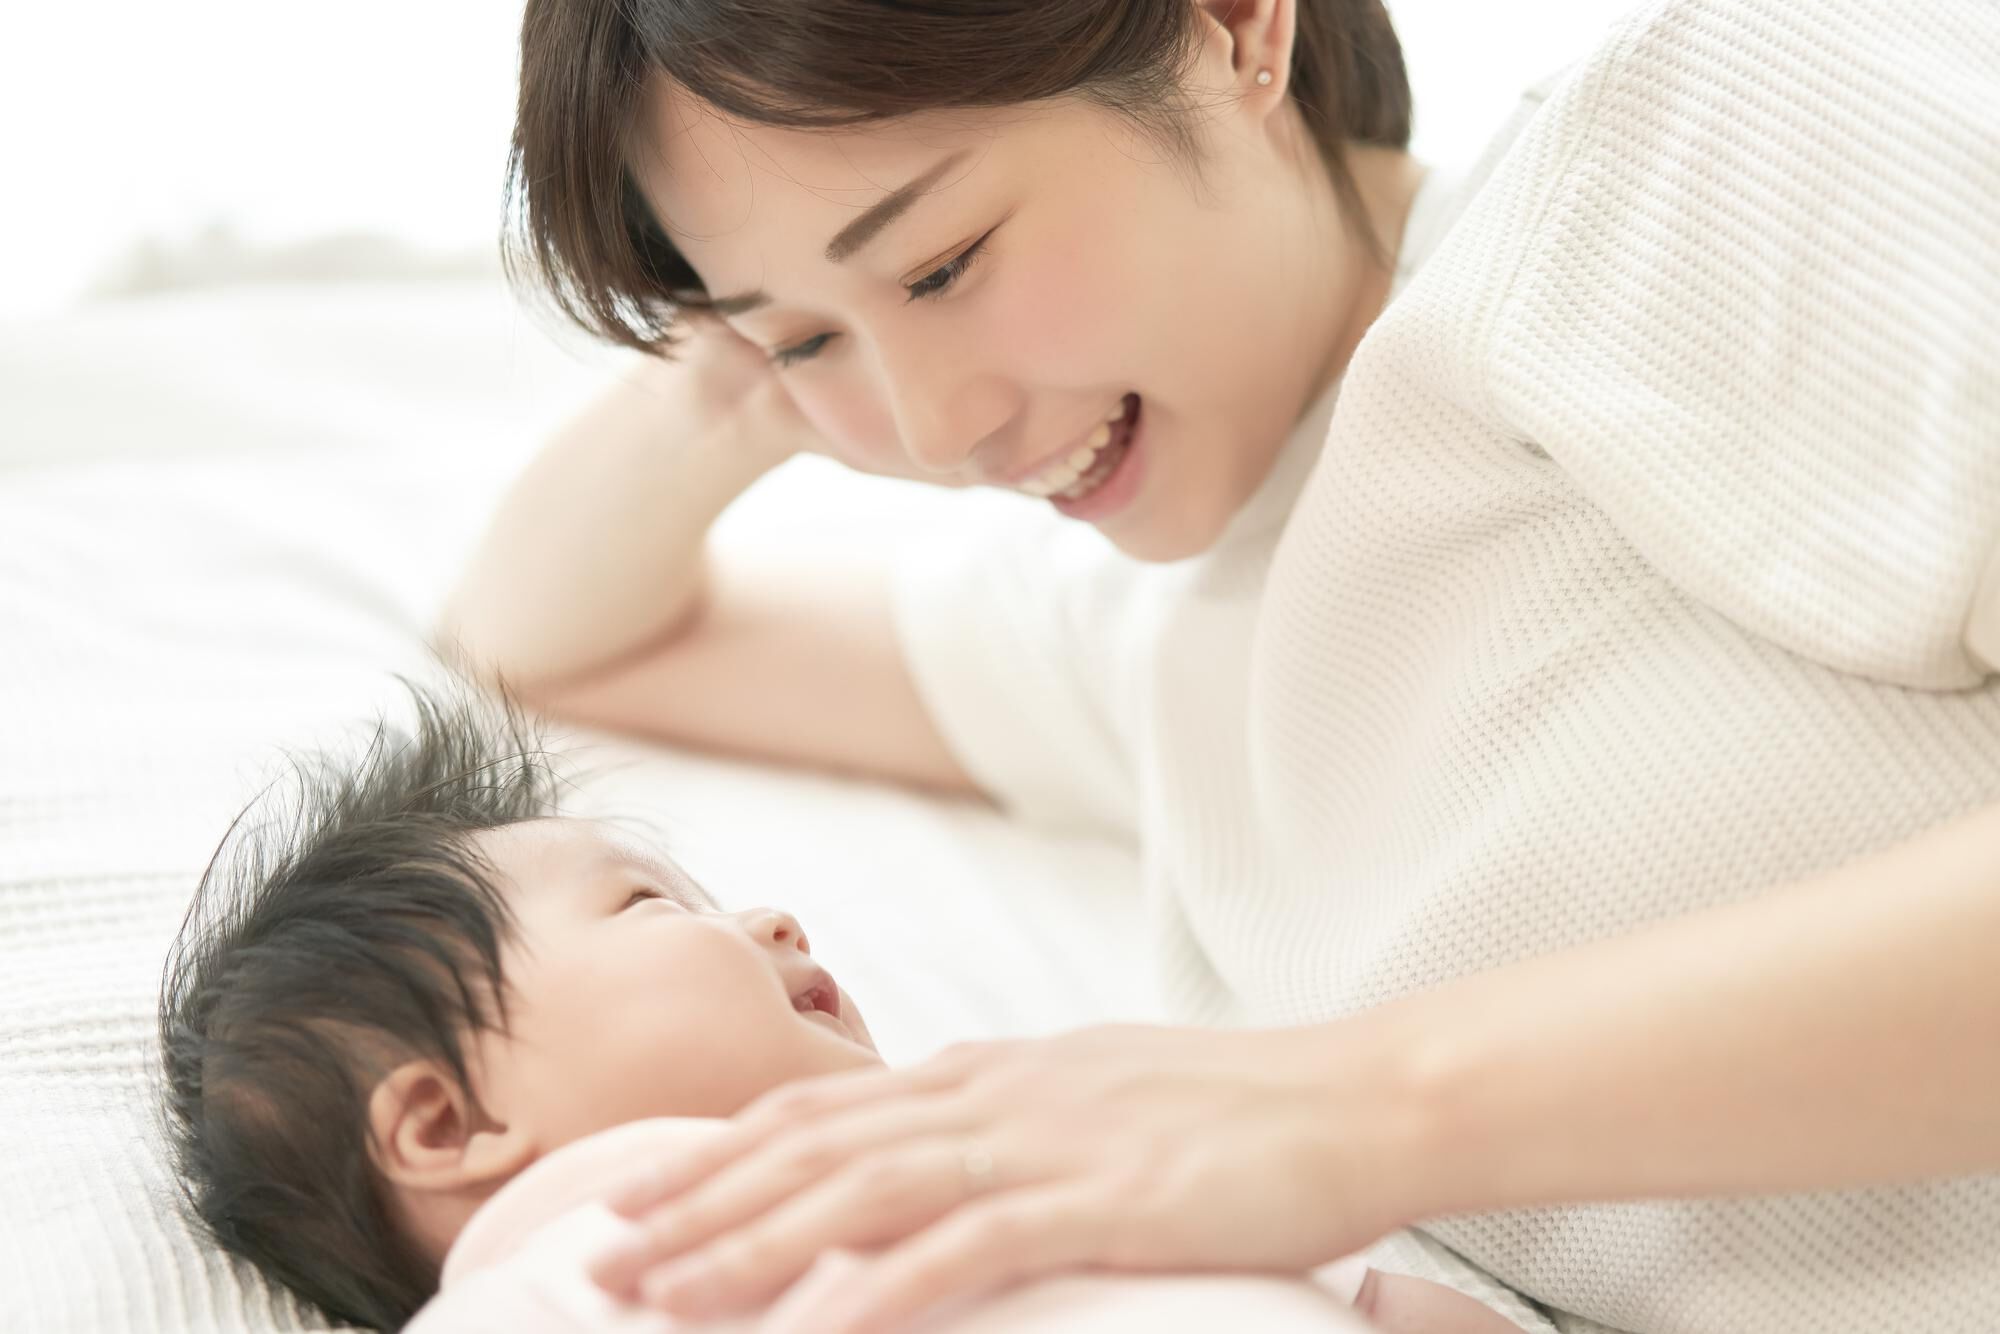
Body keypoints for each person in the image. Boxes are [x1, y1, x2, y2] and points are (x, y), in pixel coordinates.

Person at [439, 0, 2000, 1330]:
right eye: (806, 344)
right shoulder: (1142, 646)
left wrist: (1357, 1117)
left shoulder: (1683, 155)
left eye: (944, 263)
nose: (936, 432)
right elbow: (541, 633)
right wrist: (755, 349)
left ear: (1238, 27)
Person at [158, 686, 1514, 1333]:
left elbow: (1384, 1296)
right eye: (650, 905)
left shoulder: (1015, 1117)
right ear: (449, 1123)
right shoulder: (566, 1282)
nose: (775, 921)